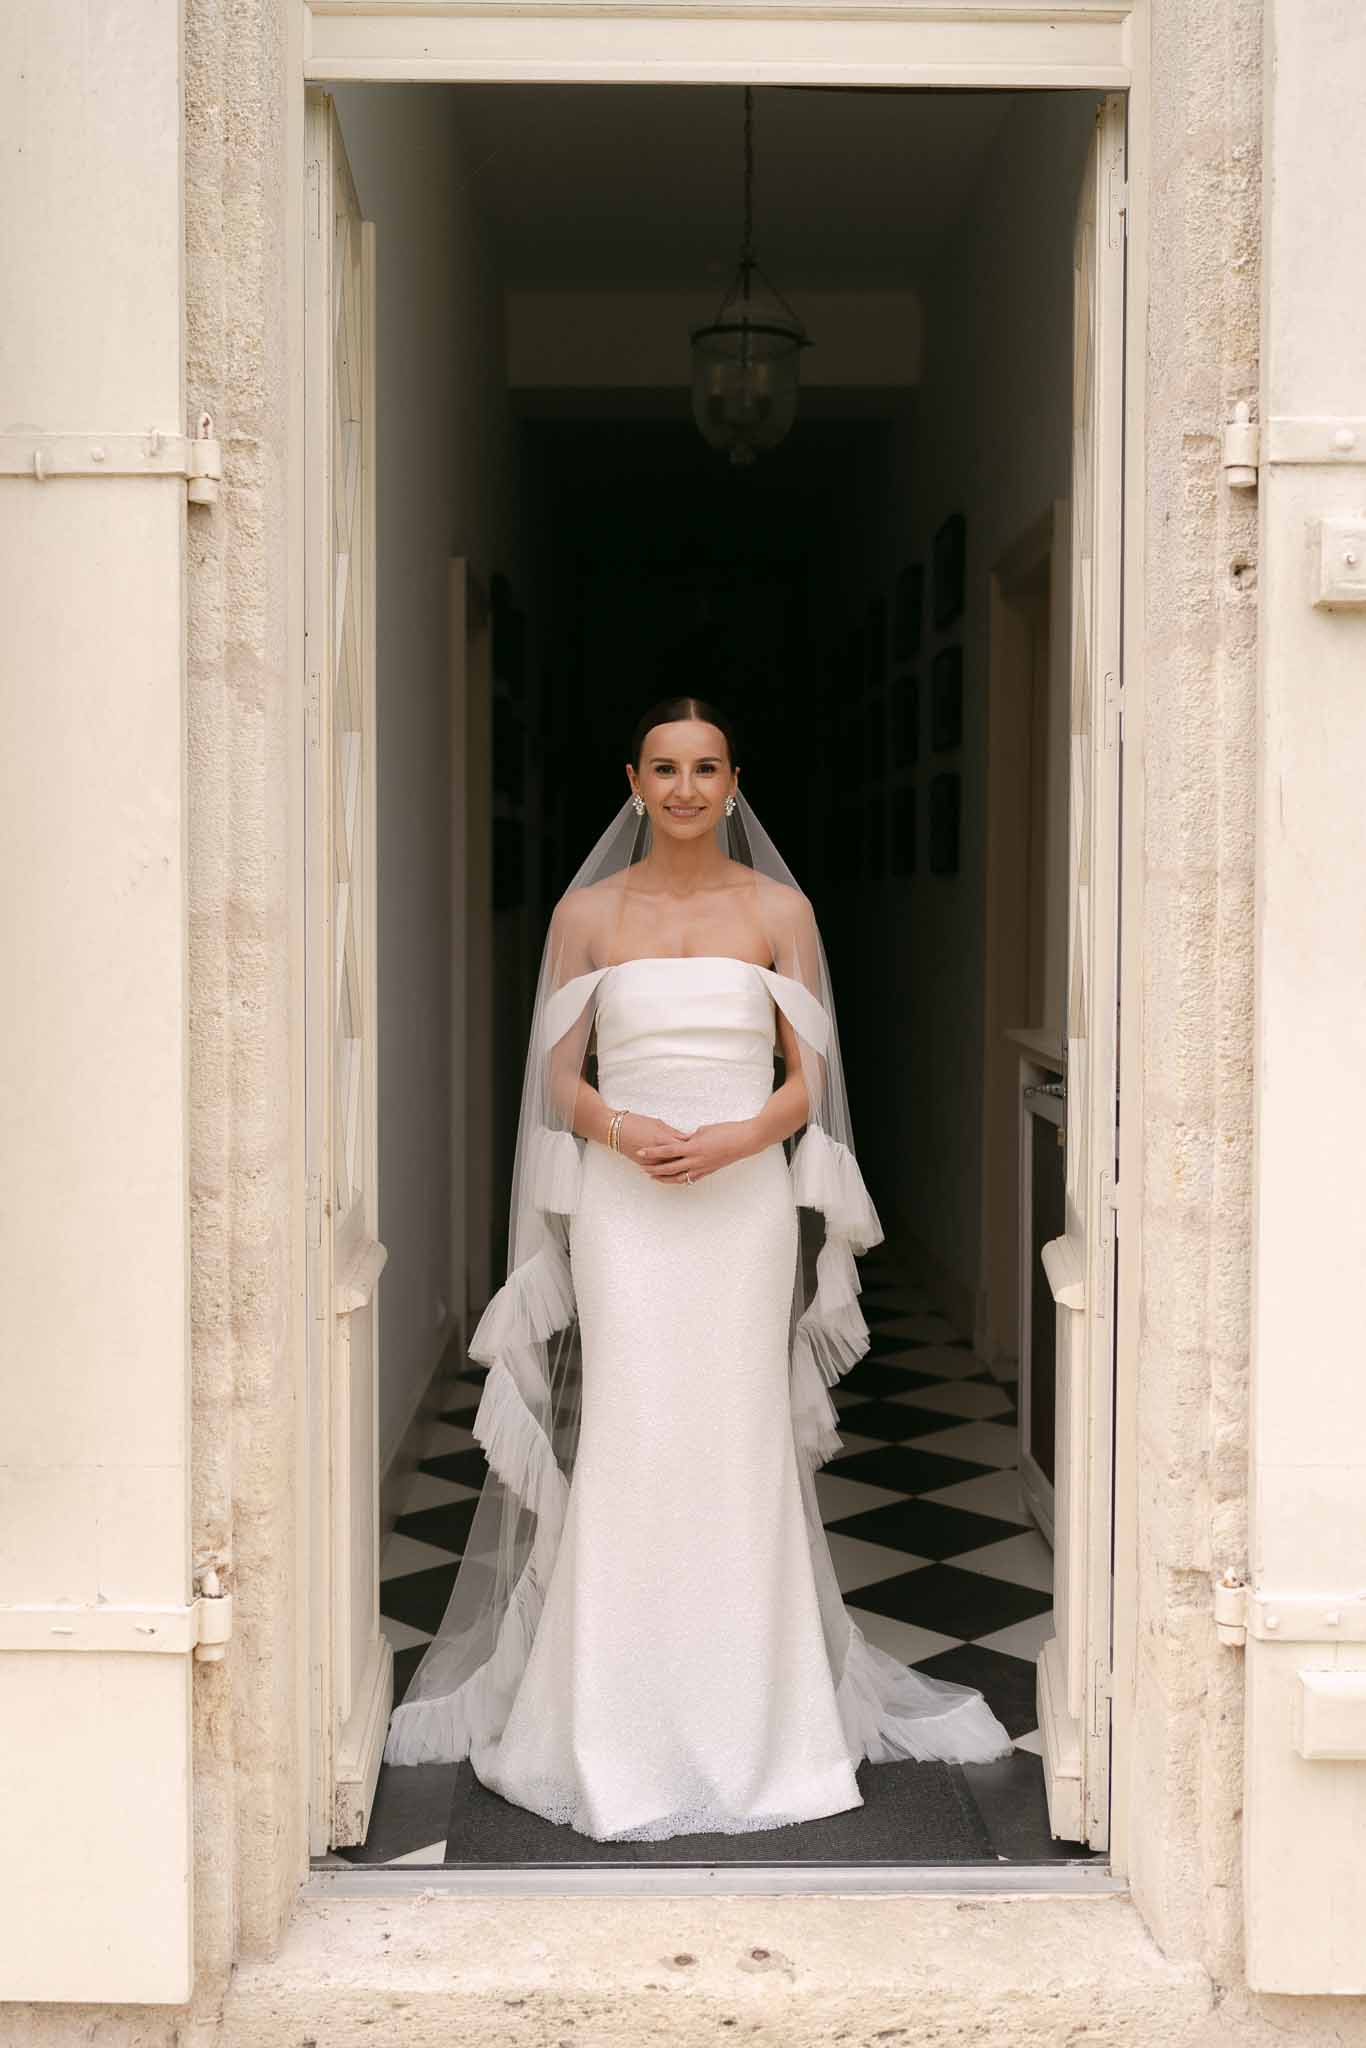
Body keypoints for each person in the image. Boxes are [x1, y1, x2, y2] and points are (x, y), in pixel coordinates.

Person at [383, 696, 1014, 1839]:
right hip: (628, 1206)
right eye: (664, 768)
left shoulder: (780, 909)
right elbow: (557, 1077)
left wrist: (734, 1139)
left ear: (733, 782)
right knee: (632, 1433)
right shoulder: (583, 915)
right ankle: (608, 1727)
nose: (683, 787)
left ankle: (759, 1728)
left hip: (743, 1206)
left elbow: (808, 1075)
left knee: (735, 1437)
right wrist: (622, 1130)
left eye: (705, 767)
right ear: (633, 779)